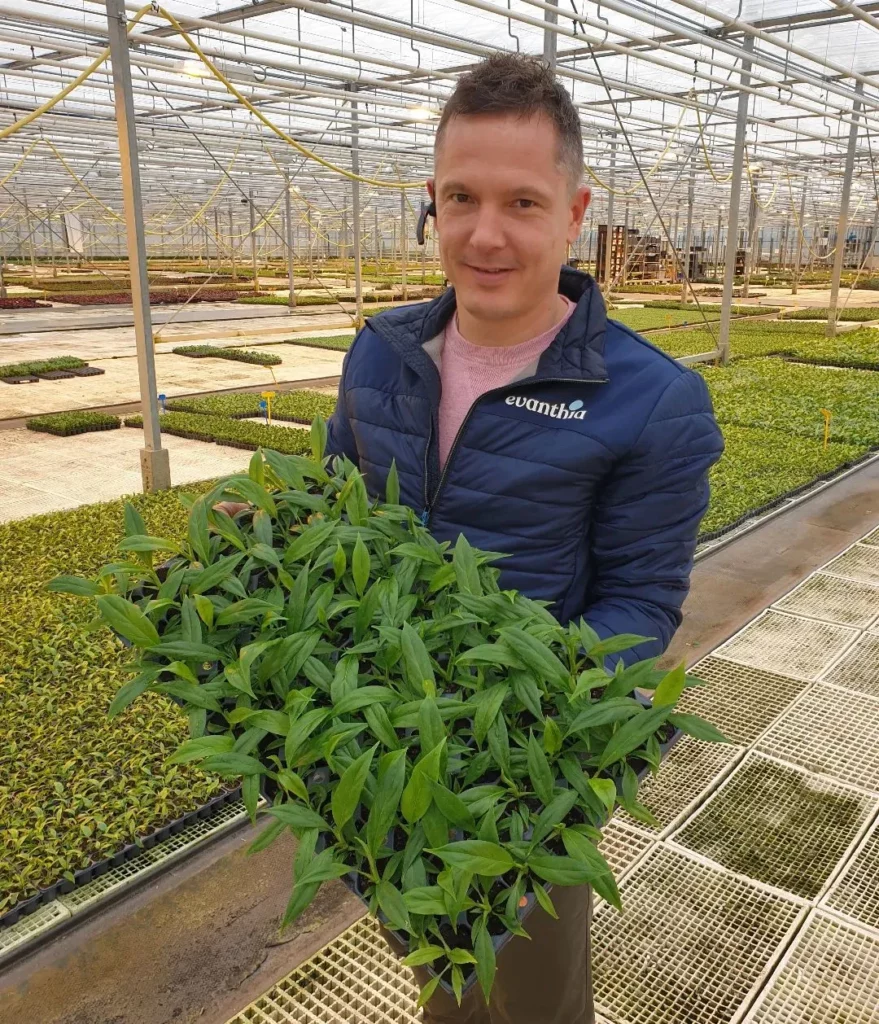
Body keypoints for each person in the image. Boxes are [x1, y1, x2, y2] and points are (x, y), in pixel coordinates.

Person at [323, 53, 724, 1024]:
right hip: (386, 755)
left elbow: (637, 605)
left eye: (523, 202)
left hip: (523, 782)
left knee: (535, 997)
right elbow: (336, 531)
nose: (485, 233)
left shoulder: (652, 399)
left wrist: (511, 739)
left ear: (576, 211)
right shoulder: (381, 354)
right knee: (441, 974)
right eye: (460, 197)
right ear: (431, 200)